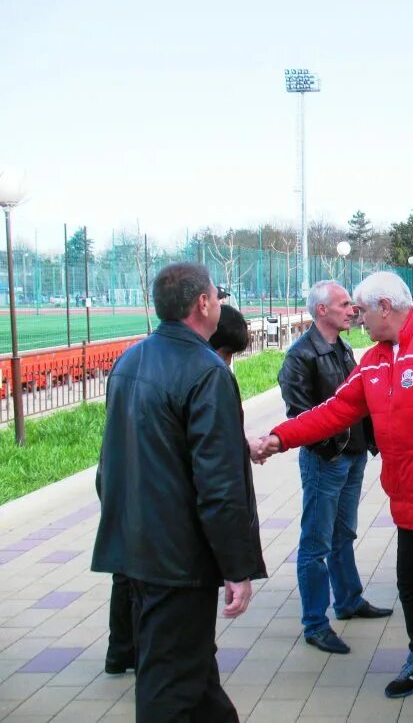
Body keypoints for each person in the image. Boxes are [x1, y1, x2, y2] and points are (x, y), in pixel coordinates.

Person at [251, 272, 413, 699]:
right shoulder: (376, 360)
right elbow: (336, 409)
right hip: (408, 503)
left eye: (360, 310)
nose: (357, 318)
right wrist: (279, 438)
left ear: (384, 306)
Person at [92, 263, 265, 721]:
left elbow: (108, 465)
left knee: (192, 675)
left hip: (140, 547)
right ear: (202, 304)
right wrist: (236, 566)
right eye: (217, 296)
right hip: (178, 558)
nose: (220, 304)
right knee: (169, 687)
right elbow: (219, 484)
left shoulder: (132, 359)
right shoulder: (206, 371)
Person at [278, 280, 391, 656]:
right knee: (316, 541)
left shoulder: (341, 347)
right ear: (322, 310)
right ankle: (315, 622)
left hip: (352, 455)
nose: (352, 310)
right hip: (327, 460)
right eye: (344, 304)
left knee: (344, 532)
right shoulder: (301, 356)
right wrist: (331, 449)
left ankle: (348, 599)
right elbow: (300, 414)